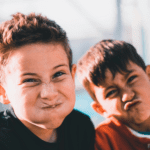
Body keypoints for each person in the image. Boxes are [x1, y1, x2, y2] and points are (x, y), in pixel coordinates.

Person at [0, 12, 95, 150]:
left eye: (58, 74)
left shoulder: (81, 127)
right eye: (30, 80)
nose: (49, 94)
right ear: (3, 92)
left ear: (72, 76)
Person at [77, 39, 150, 150]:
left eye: (131, 79)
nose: (127, 96)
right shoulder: (100, 142)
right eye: (111, 92)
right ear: (101, 109)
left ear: (148, 75)